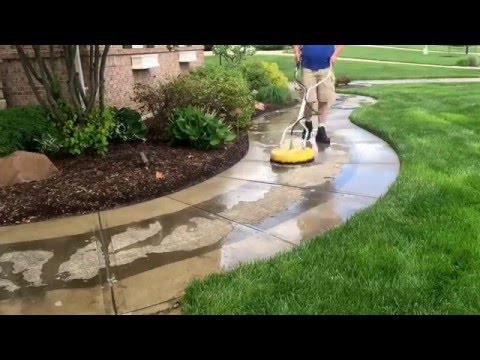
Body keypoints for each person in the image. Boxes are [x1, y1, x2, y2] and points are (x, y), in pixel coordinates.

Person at [293, 45, 345, 145]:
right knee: (308, 99)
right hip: (307, 67)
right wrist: (296, 52)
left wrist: (335, 55)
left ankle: (321, 129)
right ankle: (308, 125)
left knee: (324, 99)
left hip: (326, 67)